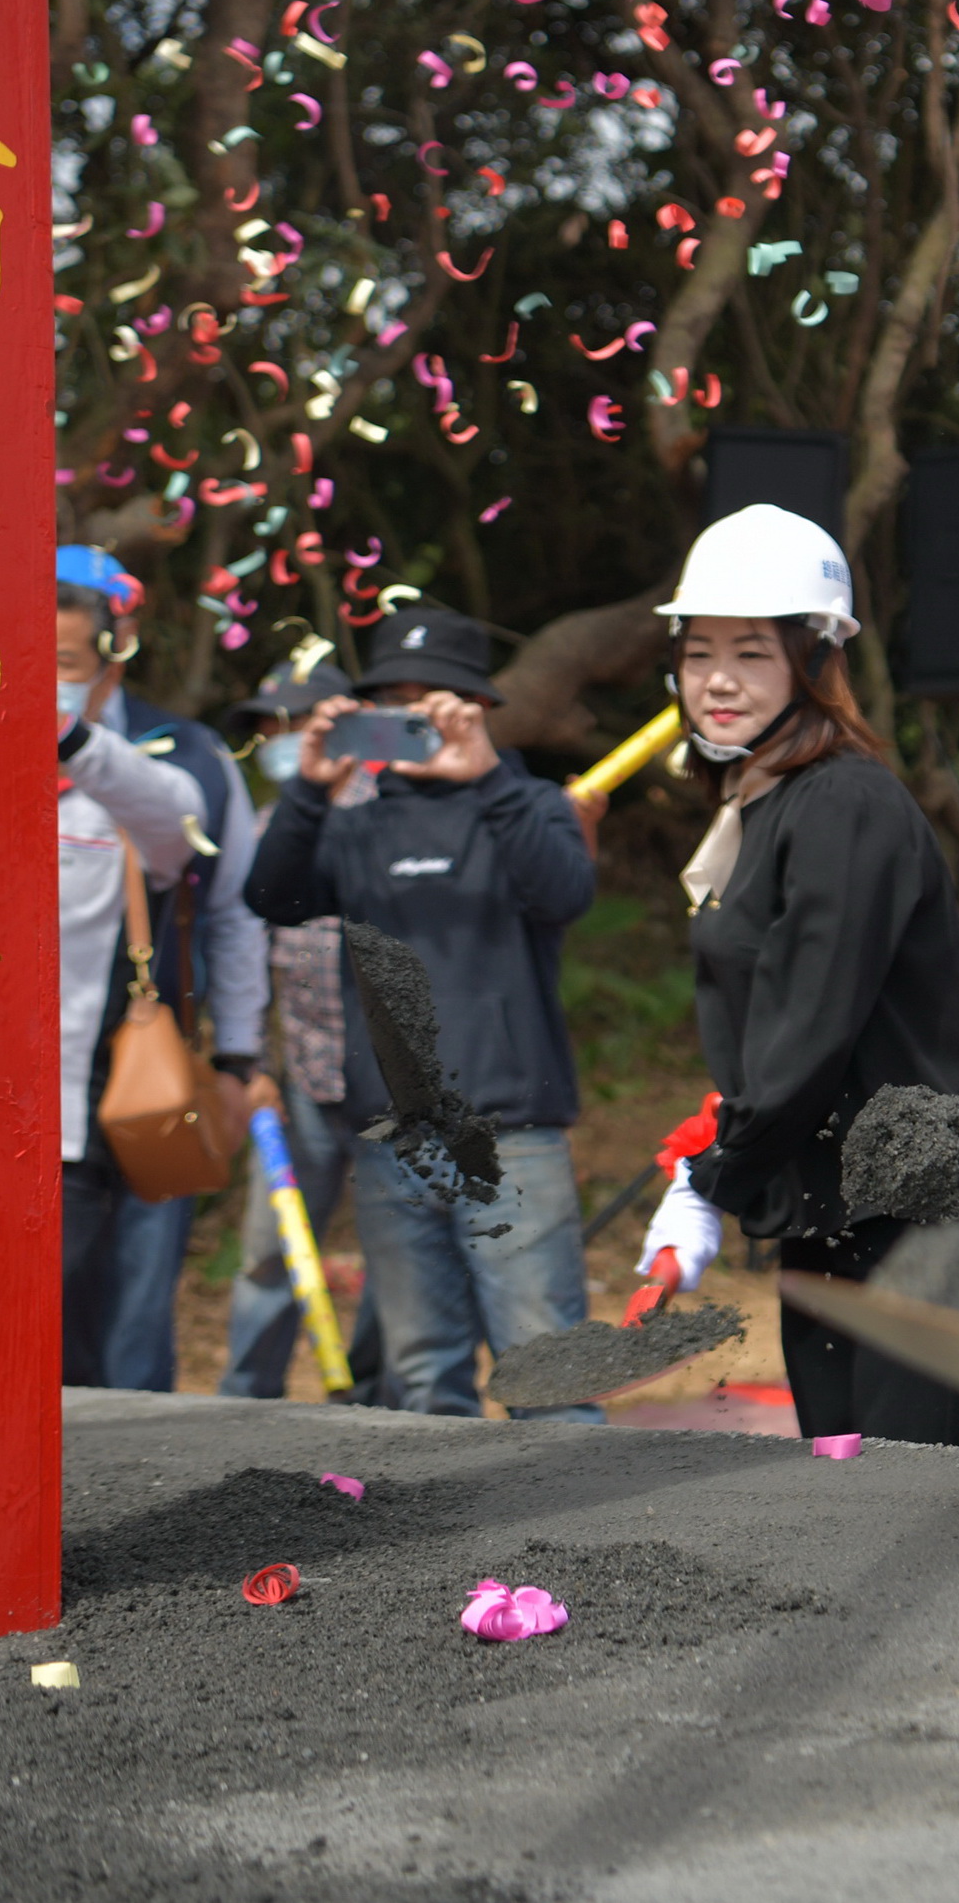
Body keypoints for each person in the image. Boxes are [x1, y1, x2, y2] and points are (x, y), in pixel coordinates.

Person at [633, 506, 959, 1446]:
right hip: (833, 1196)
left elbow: (809, 1024)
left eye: (752, 653)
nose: (716, 679)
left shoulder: (843, 801)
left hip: (922, 1211)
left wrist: (710, 1176)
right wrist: (727, 1157)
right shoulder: (764, 797)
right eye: (698, 651)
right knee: (835, 1480)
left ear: (814, 659)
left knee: (893, 1492)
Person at [243, 603, 603, 1423]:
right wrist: (307, 786)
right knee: (421, 1378)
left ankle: (583, 1541)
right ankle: (447, 1551)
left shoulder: (529, 803)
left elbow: (565, 891)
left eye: (432, 699)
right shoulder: (355, 823)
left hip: (512, 1132)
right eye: (394, 701)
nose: (414, 717)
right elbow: (269, 895)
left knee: (547, 1364)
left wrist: (486, 777)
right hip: (393, 1136)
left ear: (475, 707)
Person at [53, 553, 210, 1390]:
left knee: (79, 1353)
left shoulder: (123, 789)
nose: (42, 683)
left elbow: (179, 823)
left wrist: (71, 739)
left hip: (72, 1132)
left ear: (112, 669)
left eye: (65, 666)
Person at [215, 653, 388, 1404]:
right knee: (270, 1252)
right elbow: (243, 952)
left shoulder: (397, 809)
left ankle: (383, 1400)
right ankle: (245, 1400)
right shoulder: (265, 828)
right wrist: (250, 1065)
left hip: (394, 1091)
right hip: (305, 1082)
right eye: (270, 726)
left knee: (401, 1259)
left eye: (297, 722)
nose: (282, 738)